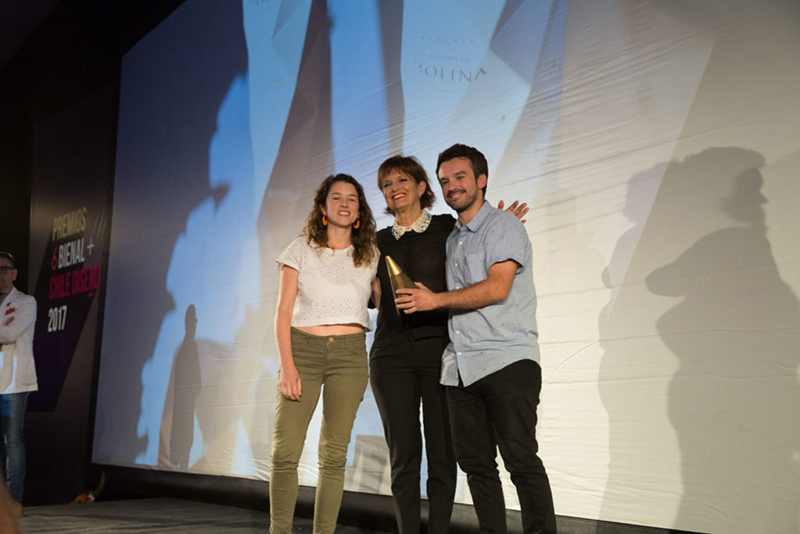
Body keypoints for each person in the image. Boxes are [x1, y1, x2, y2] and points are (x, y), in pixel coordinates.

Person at [396, 144, 557, 534]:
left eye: (460, 177)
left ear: (481, 180)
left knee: (520, 460)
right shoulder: (454, 238)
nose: (451, 186)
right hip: (460, 369)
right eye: (444, 180)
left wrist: (435, 300)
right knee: (477, 467)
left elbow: (497, 288)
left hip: (506, 361)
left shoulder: (502, 225)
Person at [270, 174, 379, 534]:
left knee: (333, 456)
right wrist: (287, 367)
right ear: (322, 207)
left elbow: (385, 302)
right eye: (336, 197)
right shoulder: (300, 248)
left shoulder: (372, 253)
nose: (344, 203)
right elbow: (283, 312)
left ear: (359, 210)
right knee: (285, 453)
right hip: (303, 351)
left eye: (352, 198)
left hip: (350, 356)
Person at [0, 251, 37, 519]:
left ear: (14, 273)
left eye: (4, 269)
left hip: (13, 382)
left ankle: (14, 499)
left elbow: (11, 332)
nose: (0, 274)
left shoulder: (25, 301)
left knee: (12, 441)